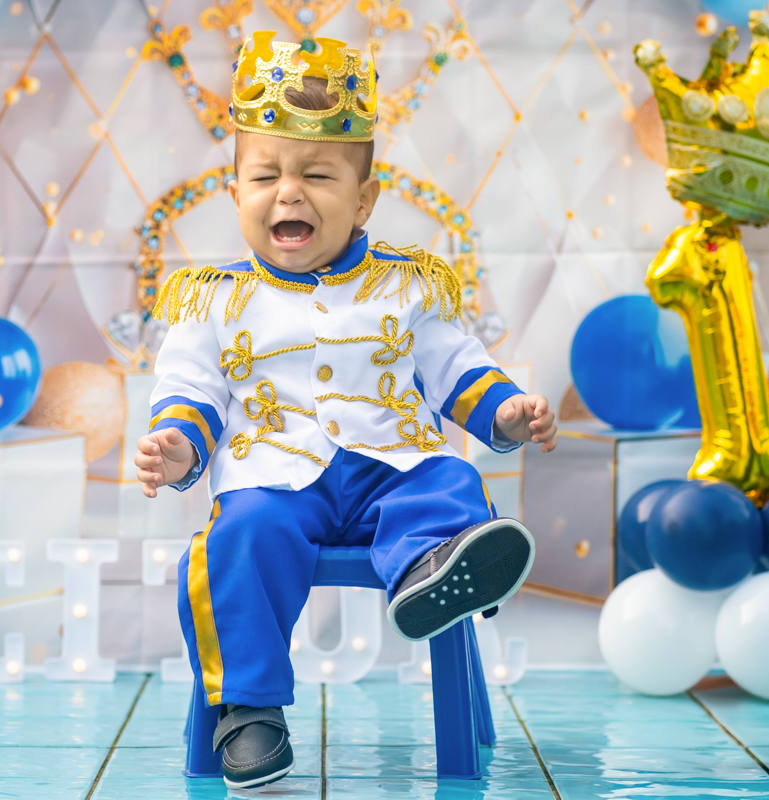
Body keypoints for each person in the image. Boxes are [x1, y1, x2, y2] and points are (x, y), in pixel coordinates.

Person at [135, 32, 557, 789]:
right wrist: (175, 446)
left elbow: (456, 369)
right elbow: (192, 392)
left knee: (449, 484)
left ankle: (433, 570)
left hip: (389, 473)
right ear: (235, 193)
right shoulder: (212, 298)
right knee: (239, 541)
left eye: (317, 175)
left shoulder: (409, 285)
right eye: (263, 176)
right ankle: (251, 710)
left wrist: (506, 413)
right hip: (275, 481)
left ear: (364, 199)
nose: (287, 193)